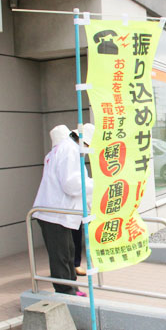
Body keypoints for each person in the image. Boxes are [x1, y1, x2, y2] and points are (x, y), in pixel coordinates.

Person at [33, 123, 95, 296]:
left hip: (56, 212)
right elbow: (71, 183)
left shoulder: (61, 149)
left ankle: (71, 288)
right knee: (61, 255)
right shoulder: (70, 150)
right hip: (55, 212)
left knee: (67, 252)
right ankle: (66, 291)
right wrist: (95, 184)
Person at [49, 125, 87, 277]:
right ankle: (69, 279)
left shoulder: (61, 152)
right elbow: (71, 184)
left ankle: (73, 267)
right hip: (63, 209)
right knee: (65, 246)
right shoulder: (66, 151)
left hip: (69, 207)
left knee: (71, 243)